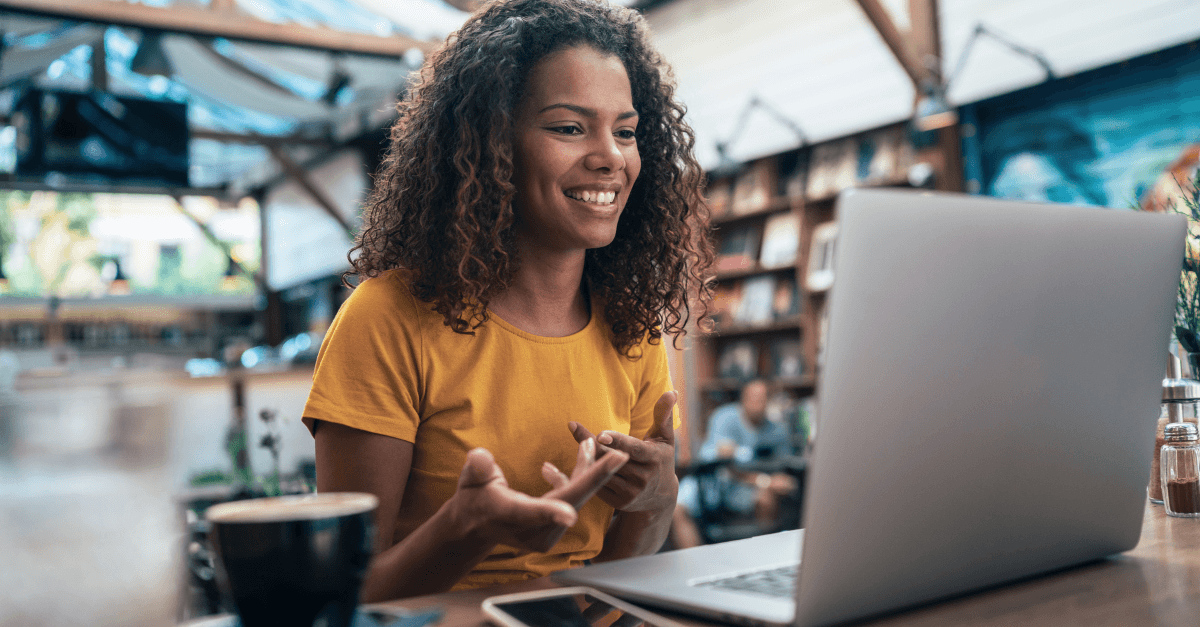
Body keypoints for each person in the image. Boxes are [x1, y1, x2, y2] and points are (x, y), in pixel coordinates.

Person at [301, 0, 713, 601]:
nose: (610, 157)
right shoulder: (388, 317)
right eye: (569, 127)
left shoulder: (631, 326)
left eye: (625, 132)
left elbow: (611, 586)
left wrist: (654, 502)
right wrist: (465, 528)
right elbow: (345, 595)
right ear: (492, 144)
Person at [671, 380, 796, 549]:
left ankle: (764, 560)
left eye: (761, 398)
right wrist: (764, 480)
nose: (756, 403)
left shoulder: (777, 430)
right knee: (677, 507)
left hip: (745, 488)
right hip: (712, 482)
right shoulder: (725, 418)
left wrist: (777, 481)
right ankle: (694, 567)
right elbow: (725, 467)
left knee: (768, 498)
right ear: (742, 399)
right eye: (752, 397)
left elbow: (785, 467)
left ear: (769, 401)